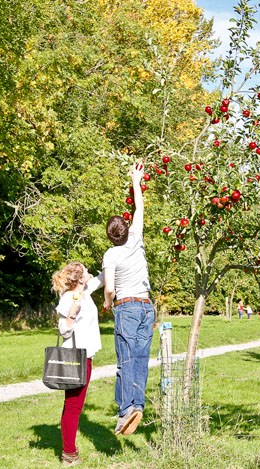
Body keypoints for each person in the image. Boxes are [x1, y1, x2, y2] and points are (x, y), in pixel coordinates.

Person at [102, 163, 153, 436]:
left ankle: (124, 412)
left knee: (125, 359)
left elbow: (109, 288)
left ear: (110, 235)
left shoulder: (111, 255)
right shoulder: (135, 237)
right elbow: (139, 208)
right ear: (125, 227)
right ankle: (138, 405)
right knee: (141, 358)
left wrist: (108, 303)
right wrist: (137, 179)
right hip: (147, 306)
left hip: (127, 307)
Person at [52, 262, 104, 466]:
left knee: (75, 405)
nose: (89, 272)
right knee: (73, 406)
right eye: (85, 270)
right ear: (80, 277)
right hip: (75, 358)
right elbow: (63, 330)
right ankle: (68, 453)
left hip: (86, 356)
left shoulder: (85, 292)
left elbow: (101, 279)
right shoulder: (68, 298)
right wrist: (72, 314)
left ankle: (69, 450)